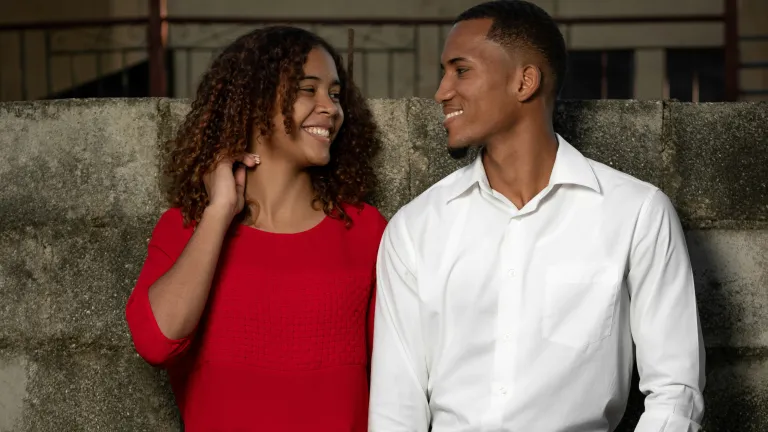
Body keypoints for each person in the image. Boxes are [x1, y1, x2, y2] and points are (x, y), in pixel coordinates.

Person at [368, 1, 705, 431]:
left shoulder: (635, 212)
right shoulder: (416, 228)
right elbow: (396, 410)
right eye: (444, 71)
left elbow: (676, 391)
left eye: (461, 70)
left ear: (525, 81)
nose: (441, 91)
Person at [125, 26, 386, 431]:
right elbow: (156, 342)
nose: (331, 108)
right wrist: (219, 212)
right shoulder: (186, 228)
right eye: (307, 89)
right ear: (253, 103)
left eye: (335, 94)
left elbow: (396, 381)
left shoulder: (365, 230)